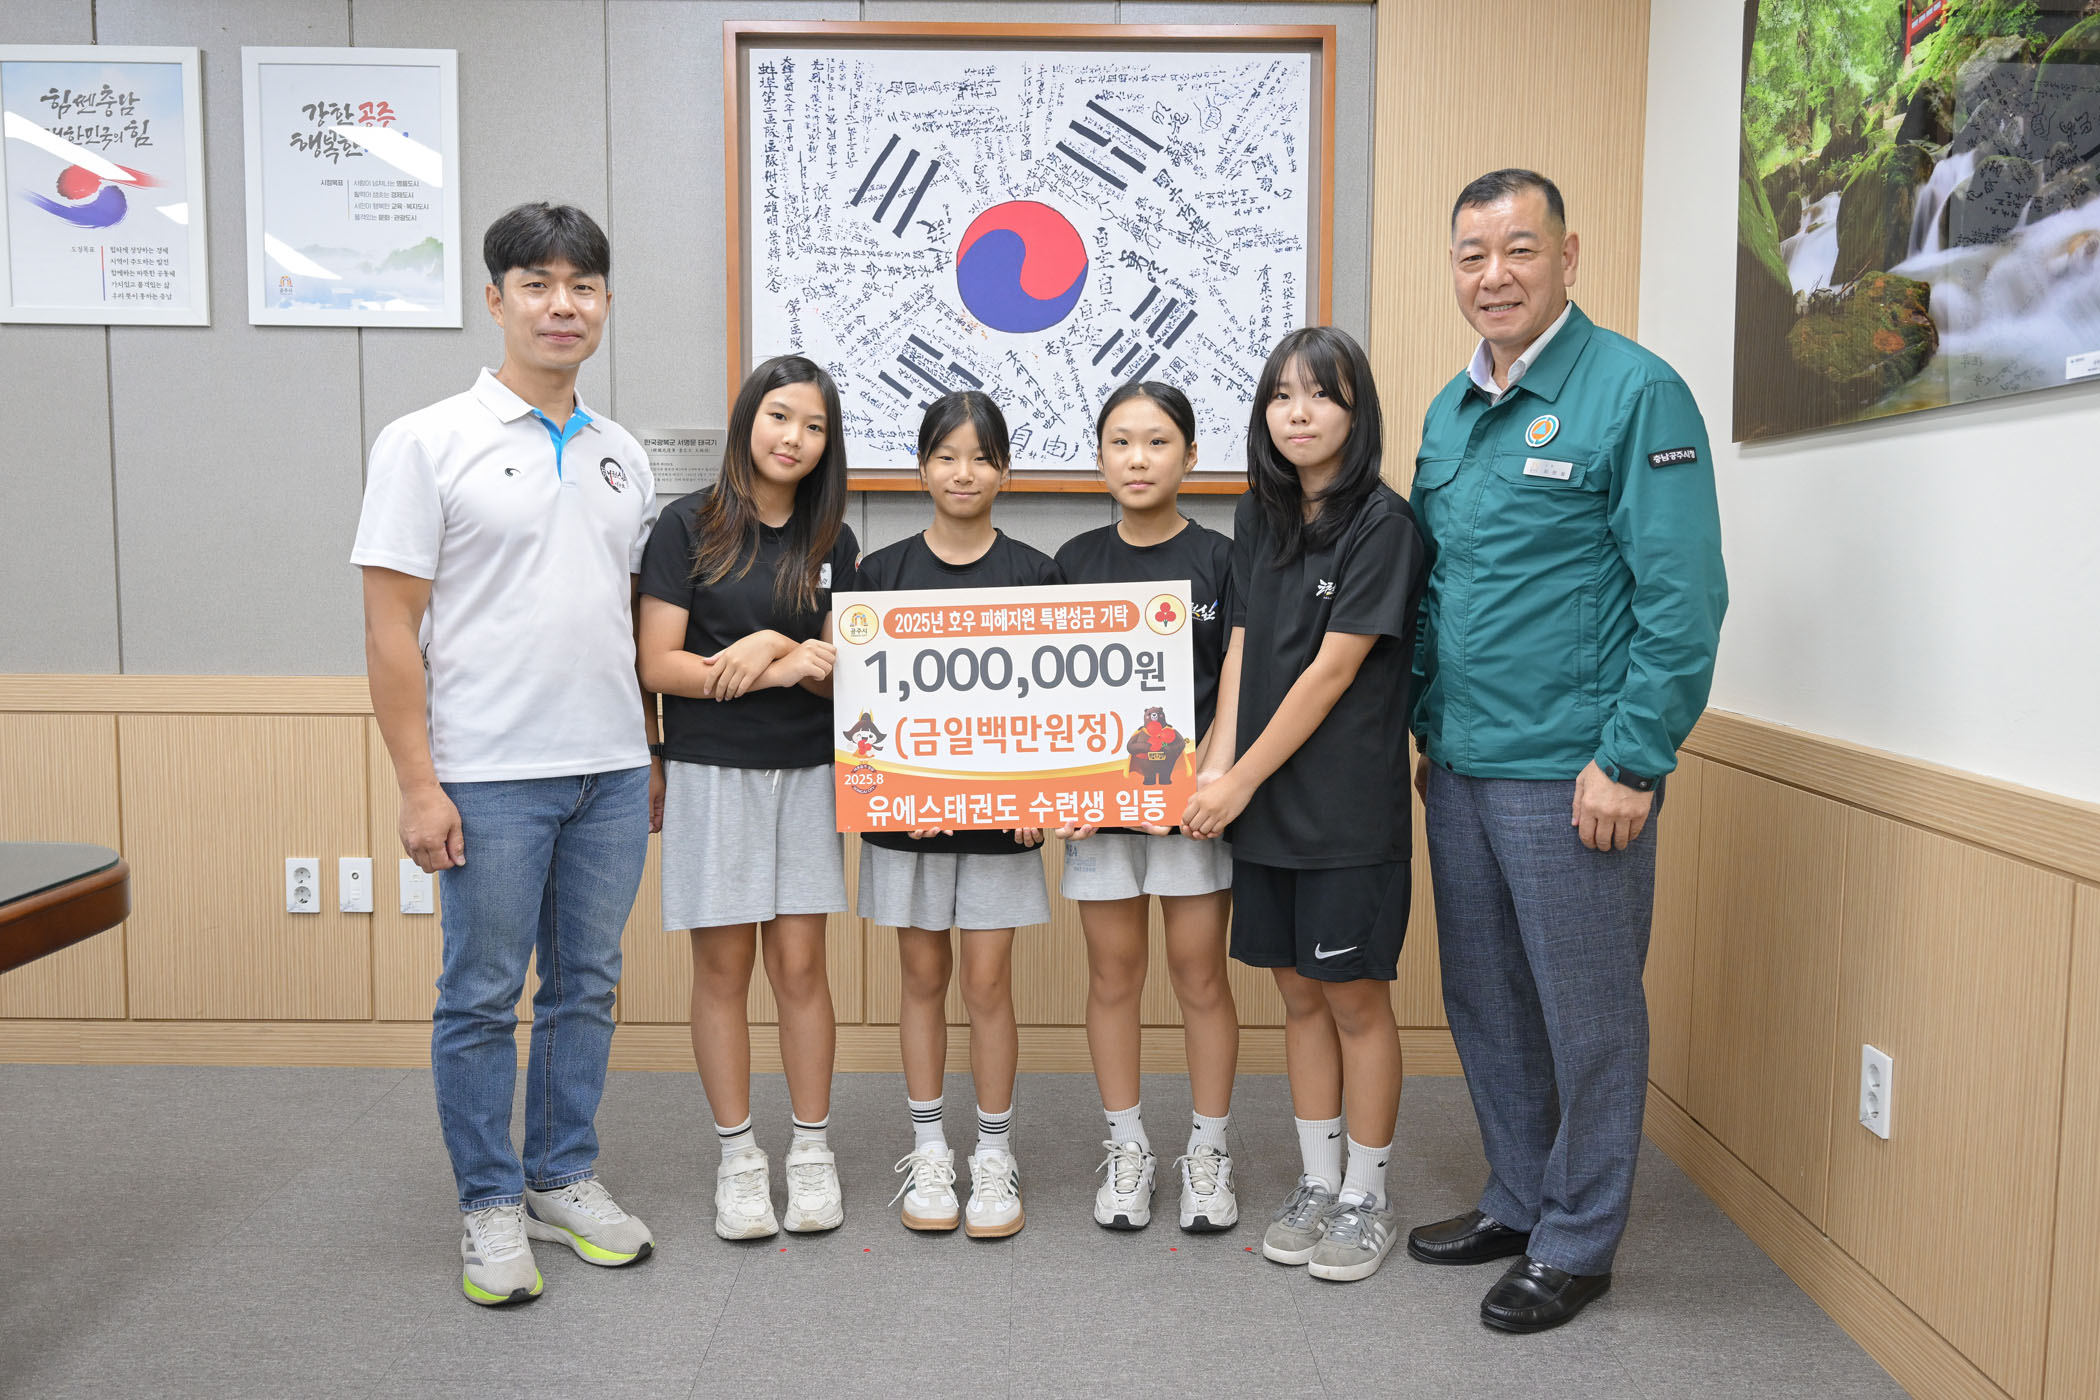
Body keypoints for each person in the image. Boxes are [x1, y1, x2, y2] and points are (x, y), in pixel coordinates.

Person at [1405, 168, 1726, 1332]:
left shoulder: (1636, 391)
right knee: (1487, 999)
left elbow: (1683, 595)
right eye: (1473, 255)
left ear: (1568, 256)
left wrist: (1634, 758)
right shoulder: (1449, 411)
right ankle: (1519, 1195)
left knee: (1587, 1015)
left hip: (1576, 772)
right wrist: (1426, 726)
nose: (1494, 275)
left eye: (1520, 250)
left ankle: (1580, 1238)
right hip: (1460, 765)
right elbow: (1436, 588)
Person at [354, 203, 661, 1306]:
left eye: (583, 285)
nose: (561, 305)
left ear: (607, 303)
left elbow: (631, 619)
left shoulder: (624, 454)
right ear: (496, 300)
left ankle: (560, 1175)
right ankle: (488, 1201)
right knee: (482, 994)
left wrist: (650, 751)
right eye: (537, 284)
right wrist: (418, 784)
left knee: (588, 986)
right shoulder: (426, 440)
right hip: (486, 774)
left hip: (611, 771)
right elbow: (390, 629)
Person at [1182, 326, 1427, 1283]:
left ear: (1355, 413)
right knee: (1295, 994)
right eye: (1282, 395)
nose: (1299, 412)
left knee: (1355, 999)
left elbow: (1330, 673)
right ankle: (1319, 1183)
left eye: (1321, 394)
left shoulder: (1385, 525)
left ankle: (1367, 1195)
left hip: (1345, 812)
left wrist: (1239, 779)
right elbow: (1245, 649)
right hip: (1263, 807)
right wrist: (1212, 770)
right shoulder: (1260, 515)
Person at [635, 355, 857, 1243]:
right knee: (723, 973)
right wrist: (777, 655)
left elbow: (835, 677)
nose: (793, 438)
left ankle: (811, 1153)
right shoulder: (686, 525)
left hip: (805, 772)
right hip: (711, 771)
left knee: (801, 971)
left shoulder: (834, 540)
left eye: (814, 426)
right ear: (747, 421)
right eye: (779, 416)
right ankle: (738, 1160)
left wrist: (776, 651)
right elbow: (660, 665)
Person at [855, 390, 1060, 1240]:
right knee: (921, 980)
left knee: (986, 985)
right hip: (908, 825)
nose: (963, 472)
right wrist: (902, 790)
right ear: (921, 468)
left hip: (1002, 827)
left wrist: (1037, 795)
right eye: (946, 456)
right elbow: (863, 714)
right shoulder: (878, 575)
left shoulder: (1037, 574)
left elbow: (1056, 708)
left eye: (981, 458)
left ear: (1005, 472)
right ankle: (930, 1147)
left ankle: (995, 1151)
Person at [1052, 381, 1240, 1233]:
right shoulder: (1073, 561)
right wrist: (1061, 787)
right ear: (1099, 458)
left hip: (1191, 810)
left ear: (1190, 456)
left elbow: (1236, 685)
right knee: (1113, 976)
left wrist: (1215, 781)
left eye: (1158, 441)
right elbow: (1049, 695)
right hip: (1099, 815)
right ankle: (1127, 1147)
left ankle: (1209, 1150)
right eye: (1121, 442)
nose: (1138, 458)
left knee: (1199, 975)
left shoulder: (1222, 559)